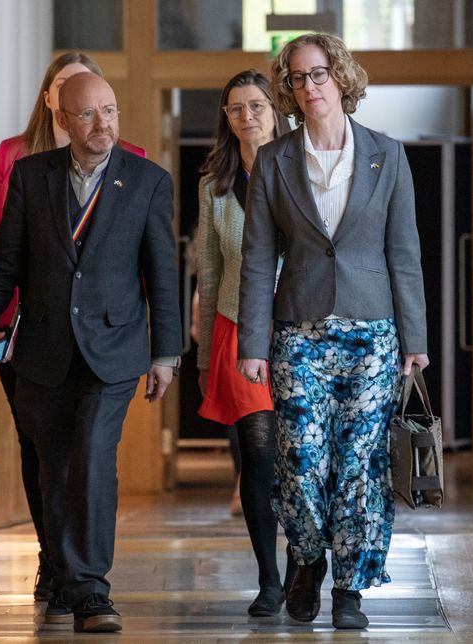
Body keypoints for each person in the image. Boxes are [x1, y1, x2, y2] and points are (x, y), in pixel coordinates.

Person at [0, 72, 182, 633]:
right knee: (53, 464)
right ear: (62, 120)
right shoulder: (30, 177)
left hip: (115, 347)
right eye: (87, 114)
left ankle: (91, 590)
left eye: (109, 111)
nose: (103, 124)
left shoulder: (148, 181)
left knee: (91, 451)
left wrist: (167, 354)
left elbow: (162, 274)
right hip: (43, 345)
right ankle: (62, 573)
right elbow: (5, 258)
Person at [236, 33, 429, 630]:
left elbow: (405, 253)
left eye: (318, 73)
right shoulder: (274, 160)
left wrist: (416, 340)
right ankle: (308, 556)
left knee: (358, 464)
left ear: (341, 78)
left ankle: (350, 588)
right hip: (298, 331)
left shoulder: (386, 153)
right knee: (300, 460)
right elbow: (257, 257)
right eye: (296, 78)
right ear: (289, 90)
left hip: (373, 333)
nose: (309, 86)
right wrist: (251, 344)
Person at [195, 70, 290, 617]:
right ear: (226, 118)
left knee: (298, 454)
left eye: (256, 105)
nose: (246, 116)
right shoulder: (215, 185)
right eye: (235, 108)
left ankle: (305, 566)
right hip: (236, 325)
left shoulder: (300, 171)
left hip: (298, 326)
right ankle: (269, 578)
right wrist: (207, 354)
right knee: (257, 453)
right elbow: (209, 273)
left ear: (275, 111)